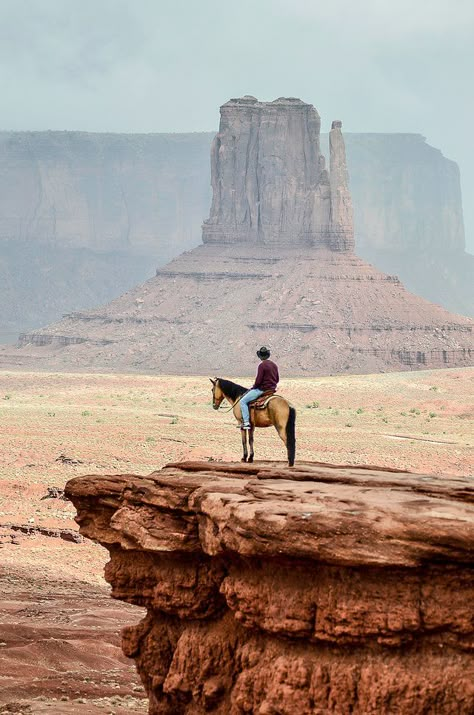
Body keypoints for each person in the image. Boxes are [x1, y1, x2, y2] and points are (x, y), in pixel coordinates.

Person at [239, 346, 279, 429]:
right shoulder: (274, 365)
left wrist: (254, 387)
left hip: (262, 390)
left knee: (243, 401)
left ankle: (246, 422)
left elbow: (258, 381)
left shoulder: (262, 365)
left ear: (260, 356)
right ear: (268, 355)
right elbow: (277, 379)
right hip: (271, 390)